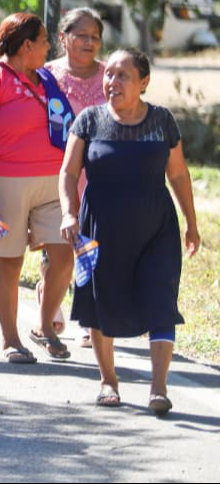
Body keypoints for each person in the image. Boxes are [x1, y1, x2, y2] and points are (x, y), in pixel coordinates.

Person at [60, 49, 201, 414]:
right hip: (99, 228)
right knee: (99, 302)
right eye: (110, 74)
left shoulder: (161, 121)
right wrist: (68, 214)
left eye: (123, 75)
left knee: (160, 300)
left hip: (156, 229)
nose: (112, 82)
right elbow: (69, 173)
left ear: (144, 82)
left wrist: (192, 223)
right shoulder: (89, 121)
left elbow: (179, 174)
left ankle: (159, 388)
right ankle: (108, 380)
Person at [0, 12, 72, 364]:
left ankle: (44, 326)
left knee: (63, 255)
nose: (48, 48)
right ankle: (11, 340)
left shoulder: (46, 80)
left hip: (53, 181)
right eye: (44, 42)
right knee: (9, 262)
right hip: (5, 179)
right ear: (27, 45)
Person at [38, 7, 107, 342]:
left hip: (100, 175)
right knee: (58, 245)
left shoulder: (112, 76)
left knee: (95, 246)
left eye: (95, 37)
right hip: (56, 173)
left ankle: (89, 319)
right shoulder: (45, 75)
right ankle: (48, 301)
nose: (89, 42)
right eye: (82, 35)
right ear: (63, 38)